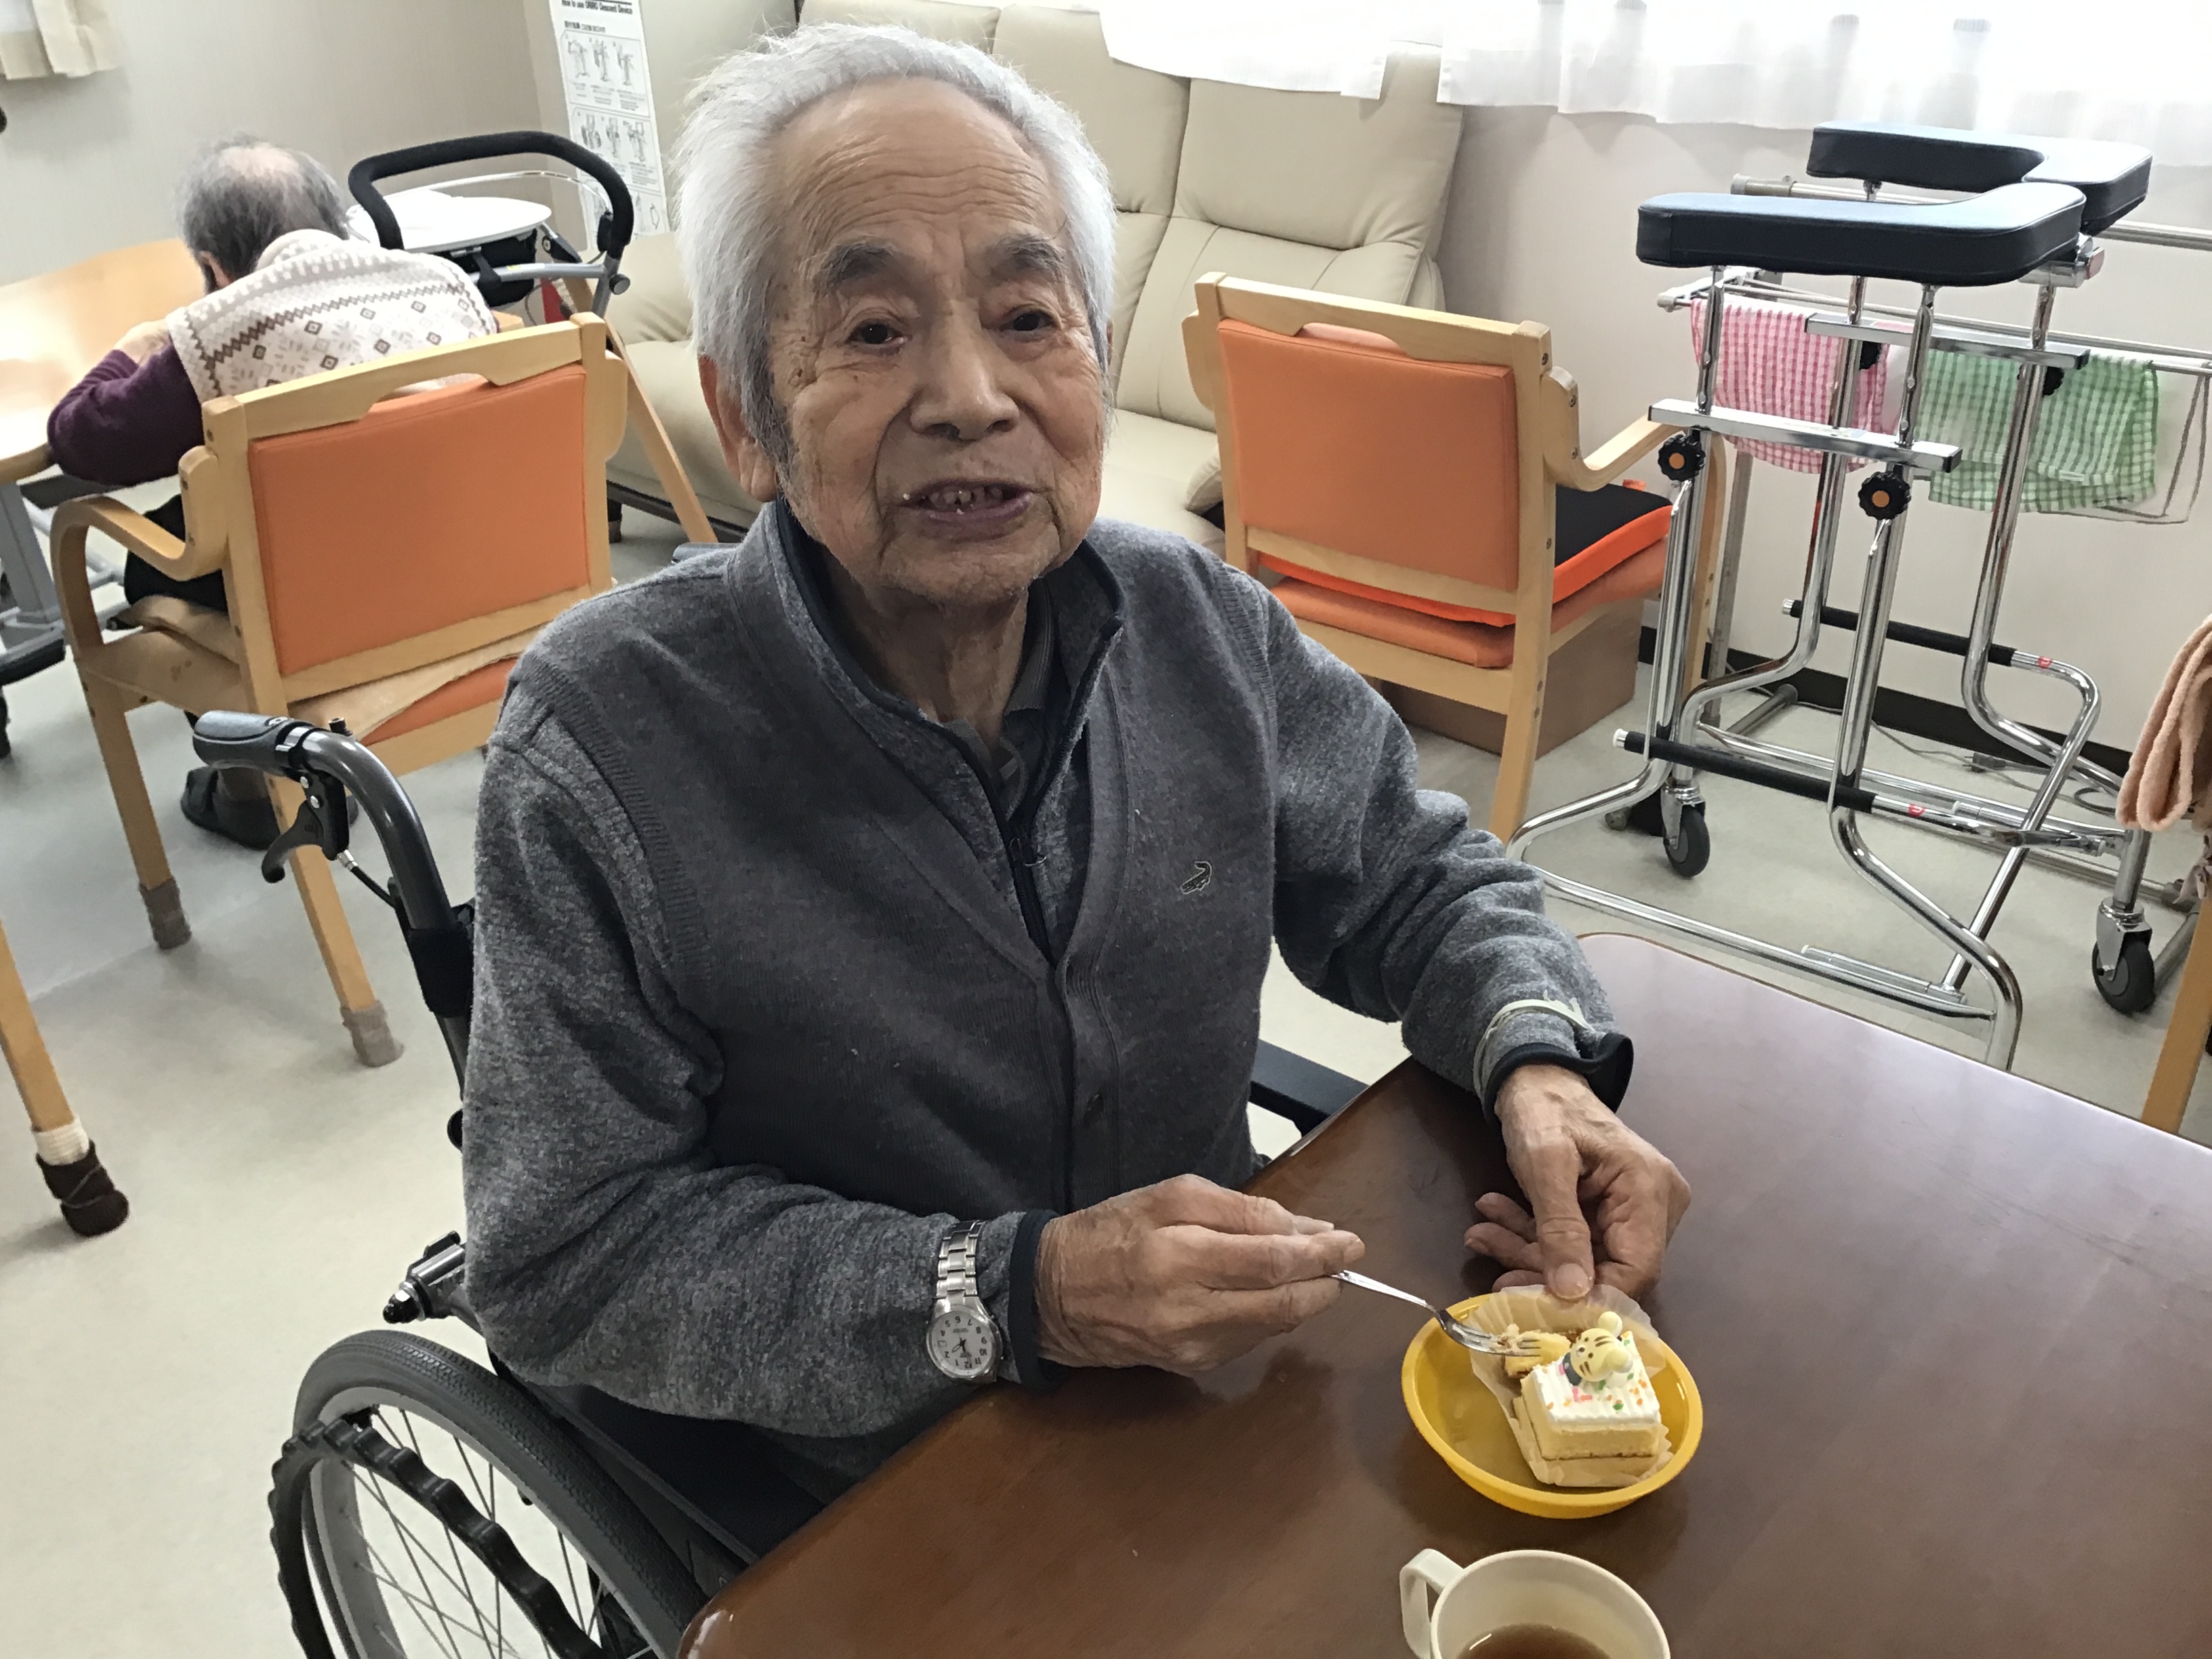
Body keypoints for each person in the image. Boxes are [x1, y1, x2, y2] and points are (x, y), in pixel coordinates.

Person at [462, 22, 1690, 1498]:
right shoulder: (605, 740)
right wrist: (1022, 1291)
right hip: (878, 1479)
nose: (970, 395)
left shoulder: (1197, 624)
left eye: (1028, 316)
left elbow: (1416, 877)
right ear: (747, 419)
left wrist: (1538, 1058)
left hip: (1206, 1395)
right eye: (873, 330)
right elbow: (562, 1255)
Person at [44, 135, 495, 846]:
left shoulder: (219, 332)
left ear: (212, 268)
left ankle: (252, 790)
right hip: (465, 572)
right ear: (337, 222)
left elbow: (80, 437)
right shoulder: (447, 286)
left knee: (158, 549)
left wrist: (138, 344)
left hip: (316, 609)